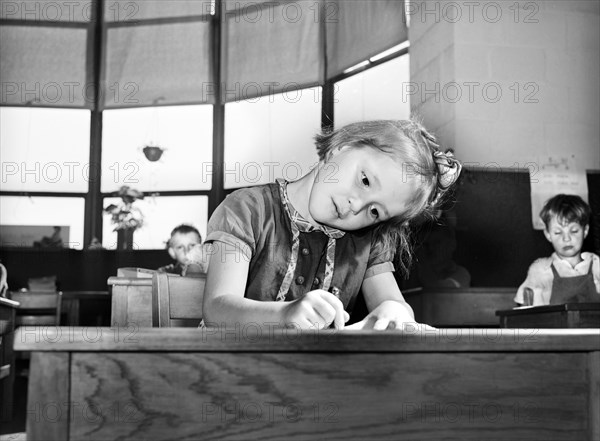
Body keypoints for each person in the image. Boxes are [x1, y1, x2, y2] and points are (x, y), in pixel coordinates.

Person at [203, 120, 462, 330]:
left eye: (374, 211)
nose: (356, 205)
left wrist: (395, 310)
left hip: (310, 380)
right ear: (341, 147)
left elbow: (394, 303)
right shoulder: (248, 208)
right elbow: (217, 307)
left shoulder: (368, 241)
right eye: (365, 180)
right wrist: (284, 315)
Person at [515, 194, 600, 306]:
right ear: (548, 234)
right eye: (558, 232)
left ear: (585, 231)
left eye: (574, 231)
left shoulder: (596, 264)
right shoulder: (541, 270)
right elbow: (528, 310)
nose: (566, 238)